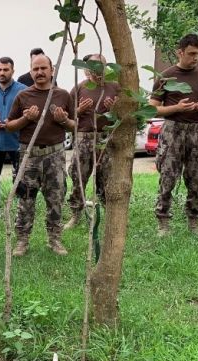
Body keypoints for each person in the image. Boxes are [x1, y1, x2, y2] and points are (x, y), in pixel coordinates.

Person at [6, 54, 75, 256]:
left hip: (55, 154)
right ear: (30, 71)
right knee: (25, 198)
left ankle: (54, 239)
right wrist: (26, 119)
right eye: (35, 69)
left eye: (43, 68)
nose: (39, 72)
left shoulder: (62, 95)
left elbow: (75, 124)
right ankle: (22, 241)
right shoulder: (23, 96)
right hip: (29, 154)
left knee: (55, 198)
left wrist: (63, 121)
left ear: (51, 69)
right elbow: (9, 126)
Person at [149, 33, 198, 237]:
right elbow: (152, 109)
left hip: (197, 131)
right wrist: (177, 108)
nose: (195, 58)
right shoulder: (166, 76)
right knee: (168, 177)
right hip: (173, 130)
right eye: (191, 53)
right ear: (180, 52)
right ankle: (163, 222)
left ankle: (194, 222)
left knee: (197, 178)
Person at [65, 53, 119, 230]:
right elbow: (66, 116)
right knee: (79, 178)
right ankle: (75, 214)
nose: (97, 69)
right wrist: (79, 110)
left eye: (100, 65)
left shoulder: (115, 87)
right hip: (83, 138)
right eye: (92, 66)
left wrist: (114, 110)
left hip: (105, 139)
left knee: (106, 178)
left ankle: (107, 214)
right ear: (87, 69)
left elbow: (123, 116)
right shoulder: (79, 88)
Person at [0, 57, 27, 219]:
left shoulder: (23, 90)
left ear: (13, 71)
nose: (2, 73)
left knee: (20, 177)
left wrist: (12, 124)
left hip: (17, 141)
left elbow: (28, 115)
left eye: (5, 70)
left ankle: (21, 209)